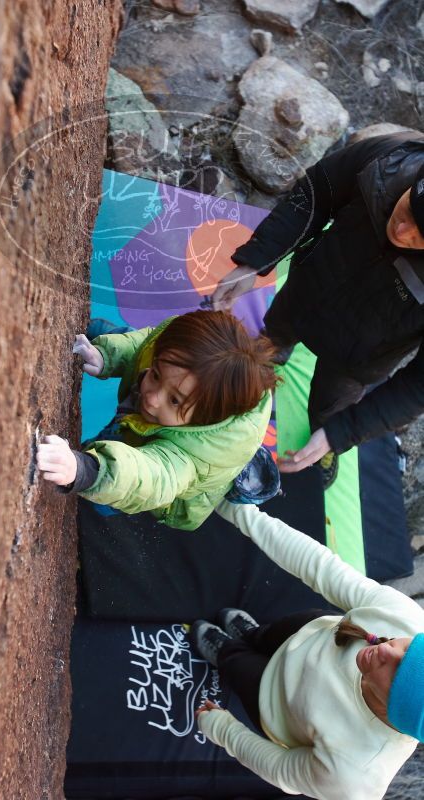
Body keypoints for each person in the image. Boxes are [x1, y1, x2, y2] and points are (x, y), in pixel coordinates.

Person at [211, 133, 424, 486]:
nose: (401, 231)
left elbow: (418, 385)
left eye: (421, 236)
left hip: (356, 360)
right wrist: (256, 260)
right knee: (265, 349)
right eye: (406, 209)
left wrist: (340, 433)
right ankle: (254, 374)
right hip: (304, 294)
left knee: (330, 411)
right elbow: (316, 192)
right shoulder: (388, 159)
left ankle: (323, 445)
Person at [189, 499, 424, 800]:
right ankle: (251, 633)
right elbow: (319, 566)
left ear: (394, 714)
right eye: (411, 648)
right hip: (308, 633)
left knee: (236, 662)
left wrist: (223, 729)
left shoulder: (357, 776)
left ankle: (225, 650)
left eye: (396, 673)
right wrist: (242, 513)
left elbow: (283, 769)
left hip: (272, 698)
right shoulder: (407, 619)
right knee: (265, 634)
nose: (388, 651)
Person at [36, 310, 278, 530]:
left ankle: (92, 494)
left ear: (203, 420)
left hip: (159, 468)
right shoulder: (179, 364)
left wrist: (84, 470)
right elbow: (146, 345)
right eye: (156, 375)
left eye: (175, 400)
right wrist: (106, 354)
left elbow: (149, 475)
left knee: (104, 484)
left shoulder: (188, 460)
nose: (152, 398)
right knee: (137, 353)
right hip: (157, 422)